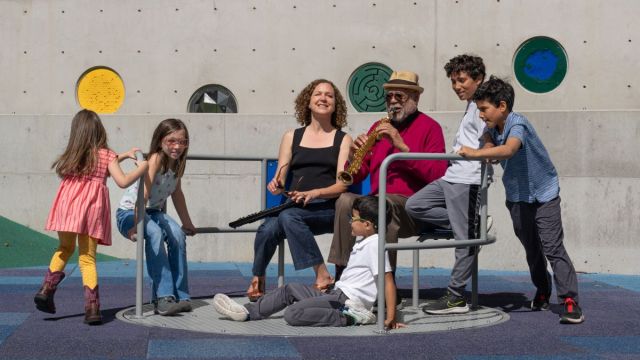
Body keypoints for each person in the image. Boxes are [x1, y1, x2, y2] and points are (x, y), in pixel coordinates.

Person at [458, 76, 584, 324]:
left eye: (484, 109)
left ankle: (570, 300)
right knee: (532, 248)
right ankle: (543, 289)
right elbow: (489, 141)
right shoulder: (491, 128)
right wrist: (486, 146)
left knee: (552, 246)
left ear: (502, 106)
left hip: (544, 194)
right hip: (517, 197)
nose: (481, 115)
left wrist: (478, 153)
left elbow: (509, 149)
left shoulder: (518, 123)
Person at [213, 196, 404, 330]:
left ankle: (349, 318)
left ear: (368, 225)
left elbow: (387, 280)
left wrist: (390, 317)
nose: (349, 222)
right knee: (289, 290)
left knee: (293, 314)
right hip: (337, 294)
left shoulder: (374, 245)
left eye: (352, 218)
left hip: (346, 301)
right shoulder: (365, 240)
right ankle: (248, 312)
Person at [328, 71, 448, 278]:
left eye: (399, 96)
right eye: (389, 97)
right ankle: (343, 274)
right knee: (345, 200)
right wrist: (353, 156)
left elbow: (438, 175)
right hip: (378, 202)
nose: (393, 101)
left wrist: (401, 146)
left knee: (384, 204)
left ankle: (386, 283)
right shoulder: (378, 127)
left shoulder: (431, 128)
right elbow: (359, 174)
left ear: (415, 98)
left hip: (412, 207)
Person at [244, 79, 353, 302]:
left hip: (327, 209)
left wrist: (315, 193)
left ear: (336, 104)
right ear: (308, 102)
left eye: (329, 95)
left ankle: (322, 274)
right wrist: (277, 185)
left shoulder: (343, 139)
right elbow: (281, 177)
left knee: (287, 216)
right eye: (318, 94)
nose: (323, 98)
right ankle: (259, 276)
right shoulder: (291, 136)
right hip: (295, 208)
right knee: (268, 228)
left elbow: (343, 184)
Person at [36, 109, 148, 325]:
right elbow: (122, 181)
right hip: (90, 211)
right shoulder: (105, 154)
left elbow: (101, 165)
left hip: (67, 208)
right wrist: (142, 167)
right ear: (99, 130)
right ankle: (92, 308)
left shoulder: (72, 154)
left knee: (64, 249)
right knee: (87, 258)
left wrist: (123, 155)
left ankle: (46, 289)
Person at [405, 54, 488, 314]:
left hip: (468, 179)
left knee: (463, 241)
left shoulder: (483, 106)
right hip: (451, 177)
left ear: (478, 79)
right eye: (453, 81)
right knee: (414, 205)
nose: (457, 86)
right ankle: (473, 222)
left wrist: (485, 153)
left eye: (462, 80)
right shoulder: (471, 105)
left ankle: (455, 297)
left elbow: (490, 141)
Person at [116, 118, 197, 316]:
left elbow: (177, 194)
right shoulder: (155, 160)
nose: (177, 146)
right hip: (129, 213)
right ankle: (163, 297)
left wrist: (187, 223)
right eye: (171, 141)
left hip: (154, 211)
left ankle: (181, 295)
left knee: (178, 234)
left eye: (182, 142)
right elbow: (142, 195)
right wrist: (137, 224)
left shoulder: (177, 164)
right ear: (160, 141)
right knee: (154, 234)